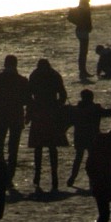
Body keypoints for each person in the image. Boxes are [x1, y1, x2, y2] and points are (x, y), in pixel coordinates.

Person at [24, 58, 69, 194]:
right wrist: (58, 106)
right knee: (52, 146)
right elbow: (63, 94)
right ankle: (54, 177)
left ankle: (37, 176)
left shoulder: (34, 75)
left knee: (38, 147)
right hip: (52, 113)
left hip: (38, 113)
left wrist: (29, 113)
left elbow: (28, 96)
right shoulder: (54, 75)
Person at [68, 88, 111, 190]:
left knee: (78, 159)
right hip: (92, 138)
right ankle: (93, 180)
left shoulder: (76, 110)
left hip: (80, 138)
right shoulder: (95, 109)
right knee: (93, 160)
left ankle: (72, 178)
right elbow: (107, 112)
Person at [66, 0, 96, 80]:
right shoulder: (84, 7)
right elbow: (86, 19)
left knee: (83, 52)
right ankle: (82, 71)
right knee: (83, 52)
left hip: (81, 30)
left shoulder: (82, 6)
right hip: (82, 31)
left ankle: (83, 71)